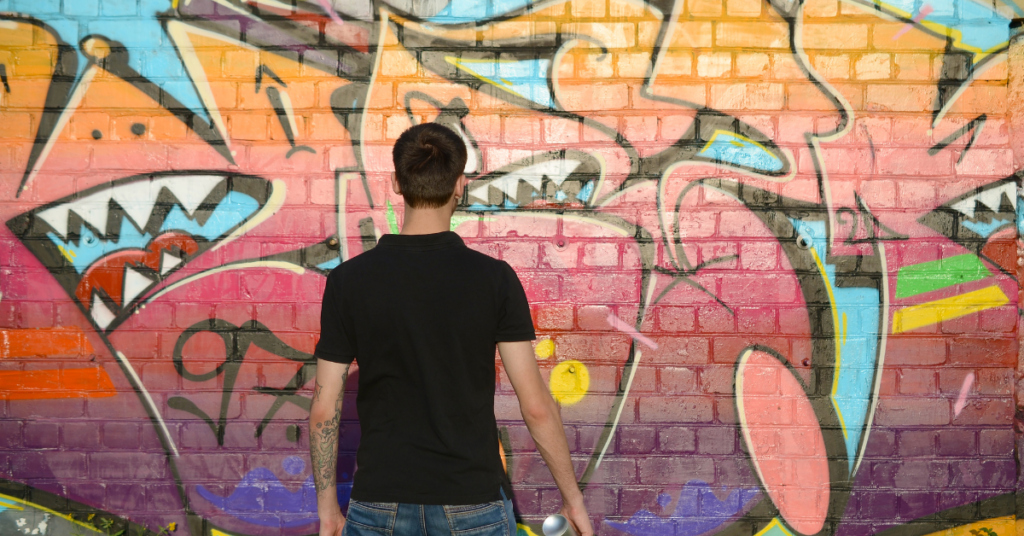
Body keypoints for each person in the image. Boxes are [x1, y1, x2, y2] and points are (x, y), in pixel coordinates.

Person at [309, 122, 594, 536]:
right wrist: (573, 498)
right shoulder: (494, 280)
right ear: (460, 184)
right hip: (472, 504)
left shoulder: (348, 281)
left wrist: (327, 510)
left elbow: (323, 408)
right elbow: (535, 405)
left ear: (395, 183)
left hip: (378, 505)